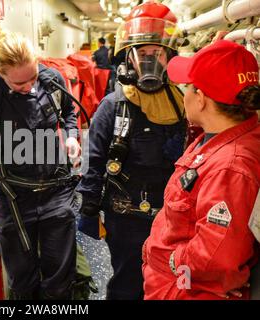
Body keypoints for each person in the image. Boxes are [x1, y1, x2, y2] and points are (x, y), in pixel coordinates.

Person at [0, 31, 81, 300]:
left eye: (33, 77)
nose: (30, 86)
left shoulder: (52, 80)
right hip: (13, 199)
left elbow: (69, 112)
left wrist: (71, 136)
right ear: (1, 73)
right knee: (22, 281)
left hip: (56, 192)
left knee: (59, 280)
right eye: (20, 83)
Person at [75, 1, 186, 300]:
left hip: (173, 218)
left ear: (170, 56)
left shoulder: (184, 103)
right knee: (128, 284)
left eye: (157, 52)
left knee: (170, 283)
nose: (150, 60)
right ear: (130, 58)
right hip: (126, 218)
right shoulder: (113, 106)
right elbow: (94, 160)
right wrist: (88, 208)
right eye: (143, 53)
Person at [143, 40, 260, 300]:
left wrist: (170, 261)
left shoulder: (230, 168)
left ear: (201, 99)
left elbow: (216, 256)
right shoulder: (220, 136)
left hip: (188, 289)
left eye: (187, 87)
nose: (183, 94)